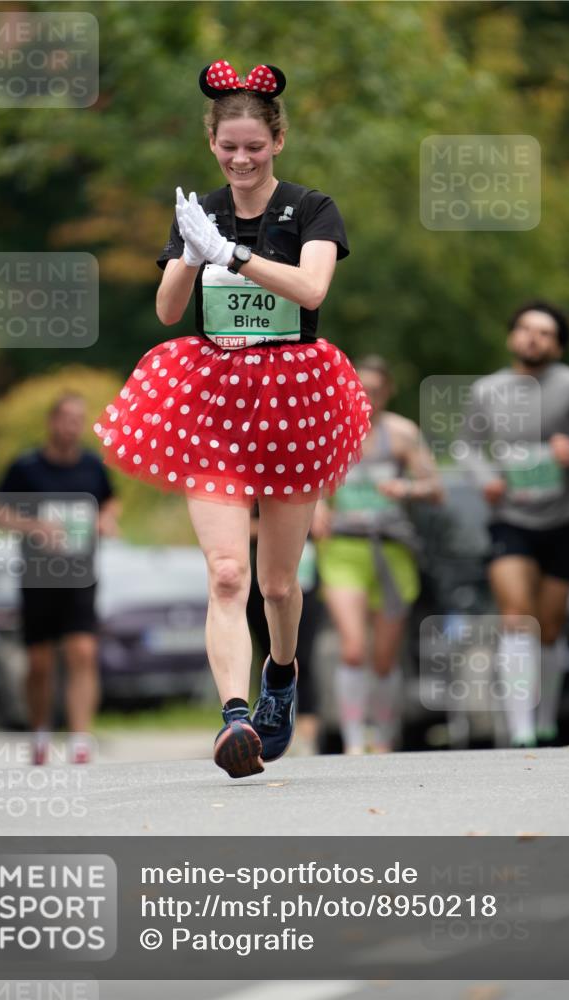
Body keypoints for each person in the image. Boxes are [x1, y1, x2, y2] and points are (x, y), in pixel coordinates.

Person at [93, 59, 372, 778]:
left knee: (277, 583)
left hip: (293, 398)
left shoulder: (312, 209)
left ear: (276, 140)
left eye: (253, 146)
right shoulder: (201, 210)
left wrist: (236, 255)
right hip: (211, 401)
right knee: (225, 573)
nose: (240, 159)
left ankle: (281, 675)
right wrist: (190, 254)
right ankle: (234, 719)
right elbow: (165, 312)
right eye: (228, 148)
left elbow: (311, 286)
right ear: (211, 143)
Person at [462, 301, 569, 747]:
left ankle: (543, 719)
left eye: (545, 333)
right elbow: (468, 447)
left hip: (565, 517)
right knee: (516, 616)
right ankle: (521, 730)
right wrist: (486, 478)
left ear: (558, 346)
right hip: (510, 517)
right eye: (526, 329)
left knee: (549, 626)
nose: (534, 338)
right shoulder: (488, 391)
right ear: (513, 336)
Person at [311, 355, 443, 754]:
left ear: (388, 392)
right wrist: (317, 507)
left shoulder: (401, 434)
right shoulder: (328, 432)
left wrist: (406, 490)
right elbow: (308, 481)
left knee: (384, 657)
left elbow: (435, 489)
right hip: (343, 550)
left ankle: (384, 736)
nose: (367, 397)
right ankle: (354, 740)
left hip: (391, 550)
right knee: (352, 648)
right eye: (360, 388)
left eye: (375, 389)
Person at [0, 393, 119, 764]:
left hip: (81, 574)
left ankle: (80, 739)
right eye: (65, 418)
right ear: (52, 422)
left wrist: (104, 519)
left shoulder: (93, 466)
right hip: (38, 576)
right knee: (40, 661)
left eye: (79, 419)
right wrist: (33, 526)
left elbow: (111, 501)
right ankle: (40, 732)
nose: (72, 426)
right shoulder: (26, 467)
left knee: (83, 651)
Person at [246, 500, 322, 753]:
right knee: (267, 657)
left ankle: (307, 742)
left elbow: (320, 527)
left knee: (304, 657)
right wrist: (275, 527)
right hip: (258, 579)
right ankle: (269, 719)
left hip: (305, 575)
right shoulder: (244, 476)